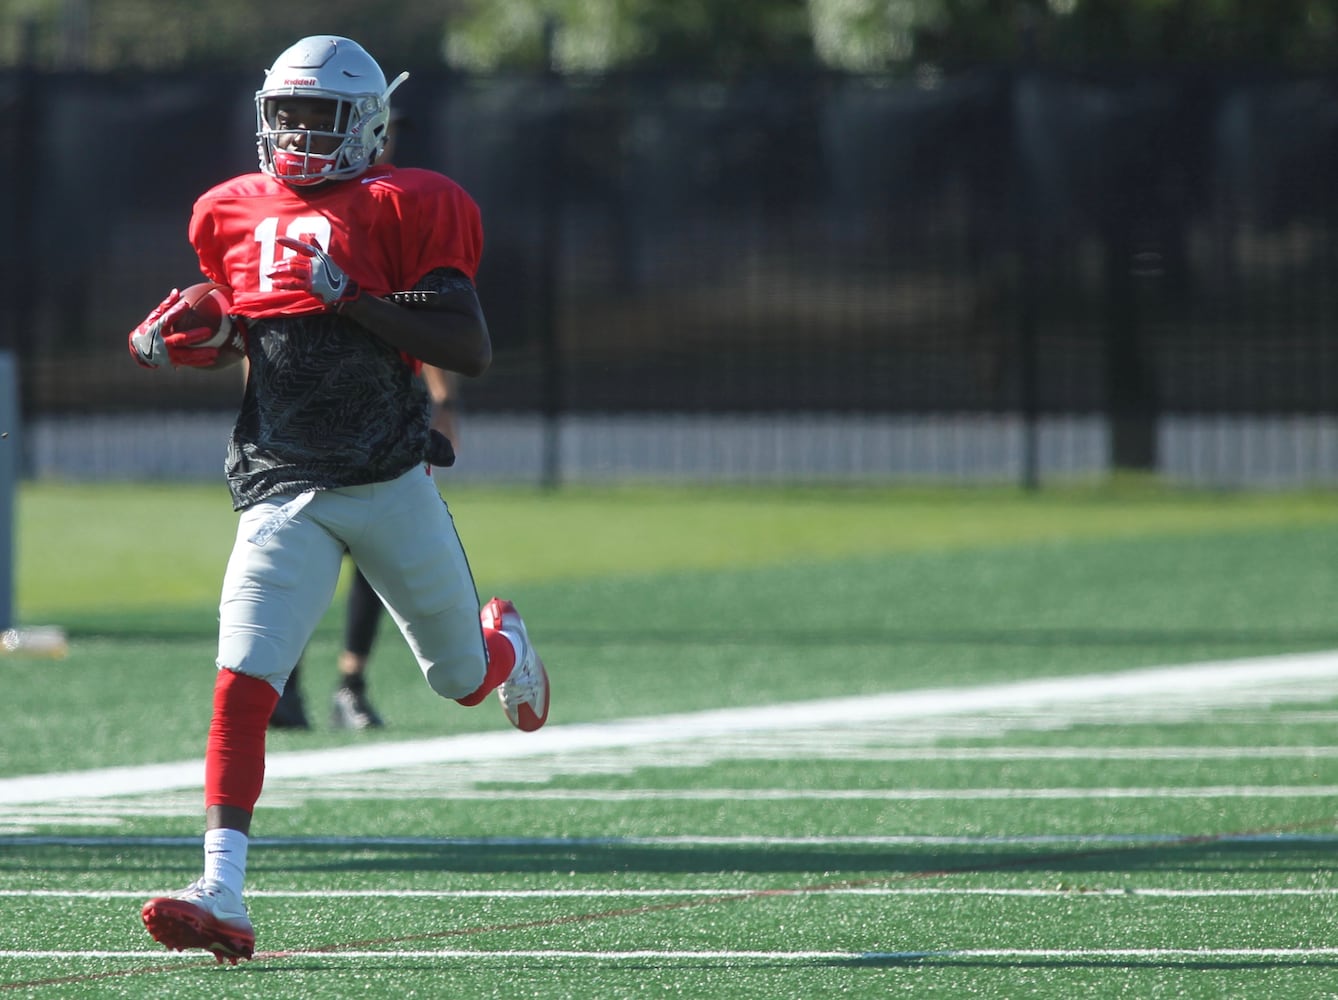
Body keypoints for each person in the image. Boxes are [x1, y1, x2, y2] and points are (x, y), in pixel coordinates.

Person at [125, 35, 550, 964]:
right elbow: (245, 329)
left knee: (457, 679)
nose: (301, 134)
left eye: (321, 116)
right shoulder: (228, 213)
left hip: (391, 477)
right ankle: (223, 890)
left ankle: (503, 645)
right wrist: (190, 332)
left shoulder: (407, 203)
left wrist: (353, 297)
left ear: (367, 122)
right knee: (244, 678)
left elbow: (467, 347)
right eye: (288, 114)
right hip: (281, 481)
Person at [268, 109, 459, 733]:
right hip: (296, 418)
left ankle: (350, 682)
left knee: (375, 552)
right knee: (289, 556)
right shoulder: (286, 201)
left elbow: (421, 306)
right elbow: (266, 312)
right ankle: (285, 683)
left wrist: (440, 394)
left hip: (380, 406)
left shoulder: (399, 205)